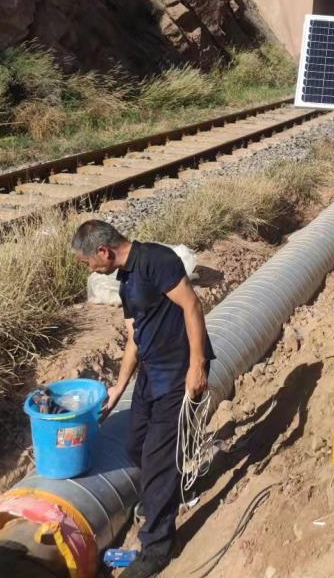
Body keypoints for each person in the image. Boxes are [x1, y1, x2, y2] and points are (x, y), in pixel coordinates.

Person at [71, 220, 214, 578]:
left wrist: (197, 366)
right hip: (151, 373)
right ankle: (163, 494)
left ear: (103, 251)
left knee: (157, 459)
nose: (90, 269)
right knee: (137, 446)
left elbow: (192, 307)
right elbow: (135, 337)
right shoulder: (127, 280)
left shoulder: (156, 260)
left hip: (177, 370)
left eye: (88, 262)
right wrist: (119, 387)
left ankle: (158, 546)